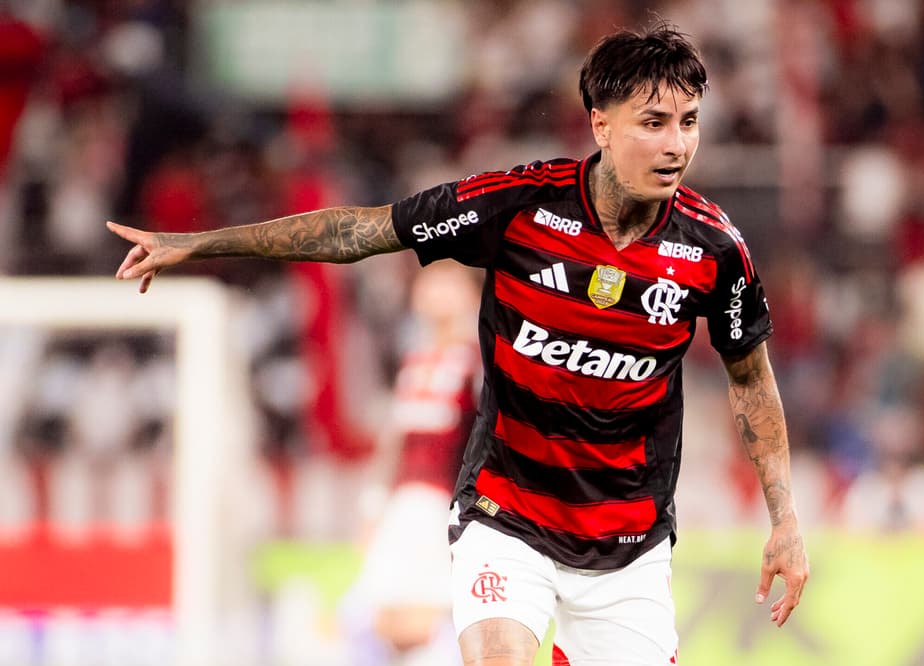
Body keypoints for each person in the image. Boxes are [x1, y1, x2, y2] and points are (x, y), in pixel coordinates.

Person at [108, 23, 809, 666]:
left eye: (689, 122)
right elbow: (361, 232)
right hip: (507, 517)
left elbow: (751, 379)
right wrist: (200, 243)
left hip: (627, 546)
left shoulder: (715, 249)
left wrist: (784, 519)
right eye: (653, 123)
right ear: (601, 123)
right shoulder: (520, 204)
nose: (677, 144)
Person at [339, 261, 481, 666]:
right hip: (402, 504)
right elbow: (394, 445)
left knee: (425, 620)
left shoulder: (477, 364)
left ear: (472, 296)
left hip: (443, 507)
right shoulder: (413, 361)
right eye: (430, 281)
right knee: (382, 620)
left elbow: (480, 446)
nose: (436, 292)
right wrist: (373, 507)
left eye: (449, 283)